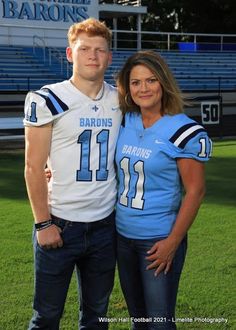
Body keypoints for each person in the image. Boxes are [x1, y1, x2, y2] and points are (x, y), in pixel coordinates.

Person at [24, 18, 122, 329]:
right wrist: (43, 223)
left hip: (105, 225)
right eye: (85, 49)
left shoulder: (122, 99)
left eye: (100, 50)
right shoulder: (47, 99)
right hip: (60, 224)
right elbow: (32, 166)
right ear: (70, 54)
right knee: (46, 317)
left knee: (96, 318)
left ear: (109, 56)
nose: (93, 55)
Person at [115, 50, 212, 329]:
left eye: (151, 80)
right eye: (135, 82)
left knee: (159, 323)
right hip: (122, 237)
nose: (143, 88)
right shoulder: (125, 120)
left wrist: (172, 242)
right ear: (127, 87)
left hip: (158, 239)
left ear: (163, 83)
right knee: (139, 320)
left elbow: (196, 191)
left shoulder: (183, 130)